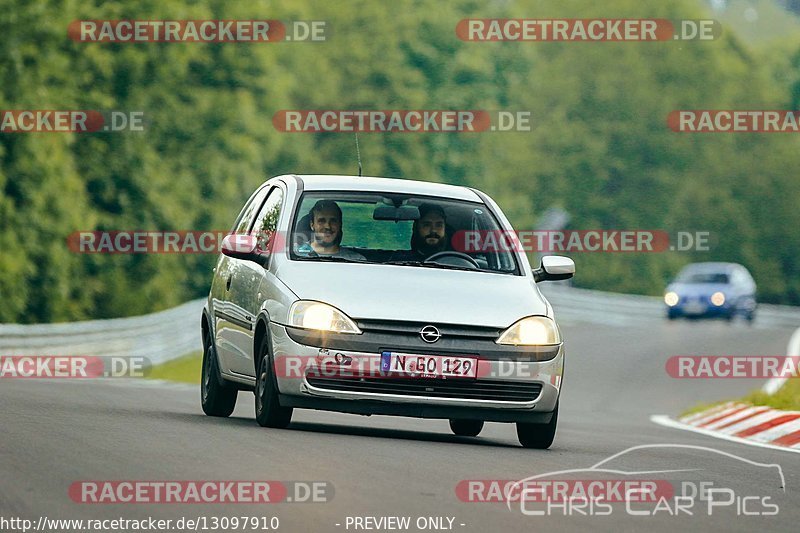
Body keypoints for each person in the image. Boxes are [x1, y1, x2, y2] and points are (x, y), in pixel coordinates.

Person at [296, 200, 365, 261]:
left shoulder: (357, 260)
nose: (328, 226)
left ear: (340, 224)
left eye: (333, 221)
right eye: (321, 221)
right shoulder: (295, 254)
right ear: (312, 225)